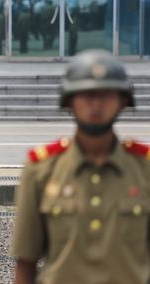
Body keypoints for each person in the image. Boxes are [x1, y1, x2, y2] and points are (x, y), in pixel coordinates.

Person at [13, 49, 150, 284]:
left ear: (123, 102)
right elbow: (26, 263)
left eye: (106, 95)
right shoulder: (41, 169)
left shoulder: (144, 169)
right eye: (86, 95)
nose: (96, 104)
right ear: (69, 101)